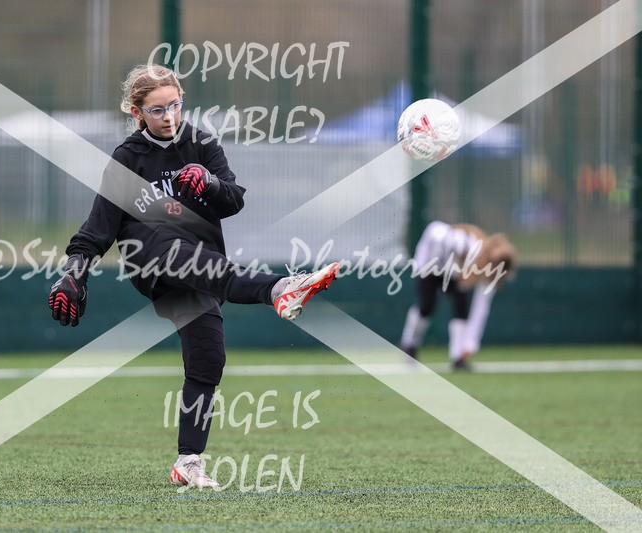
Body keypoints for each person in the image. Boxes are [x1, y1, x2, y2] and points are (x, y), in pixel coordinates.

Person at [48, 64, 340, 489]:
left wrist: (208, 184)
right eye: (157, 110)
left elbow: (233, 199)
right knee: (179, 252)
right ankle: (280, 287)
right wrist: (75, 274)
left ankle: (188, 461)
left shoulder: (200, 142)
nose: (169, 117)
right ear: (136, 111)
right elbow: (97, 230)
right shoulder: (128, 159)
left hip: (203, 263)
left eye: (175, 106)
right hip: (151, 259)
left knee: (208, 359)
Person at [399, 220, 515, 371]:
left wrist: (470, 344)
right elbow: (434, 232)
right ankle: (409, 344)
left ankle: (458, 356)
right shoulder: (466, 246)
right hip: (429, 264)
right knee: (427, 306)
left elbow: (481, 306)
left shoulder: (480, 263)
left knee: (461, 307)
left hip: (451, 271)